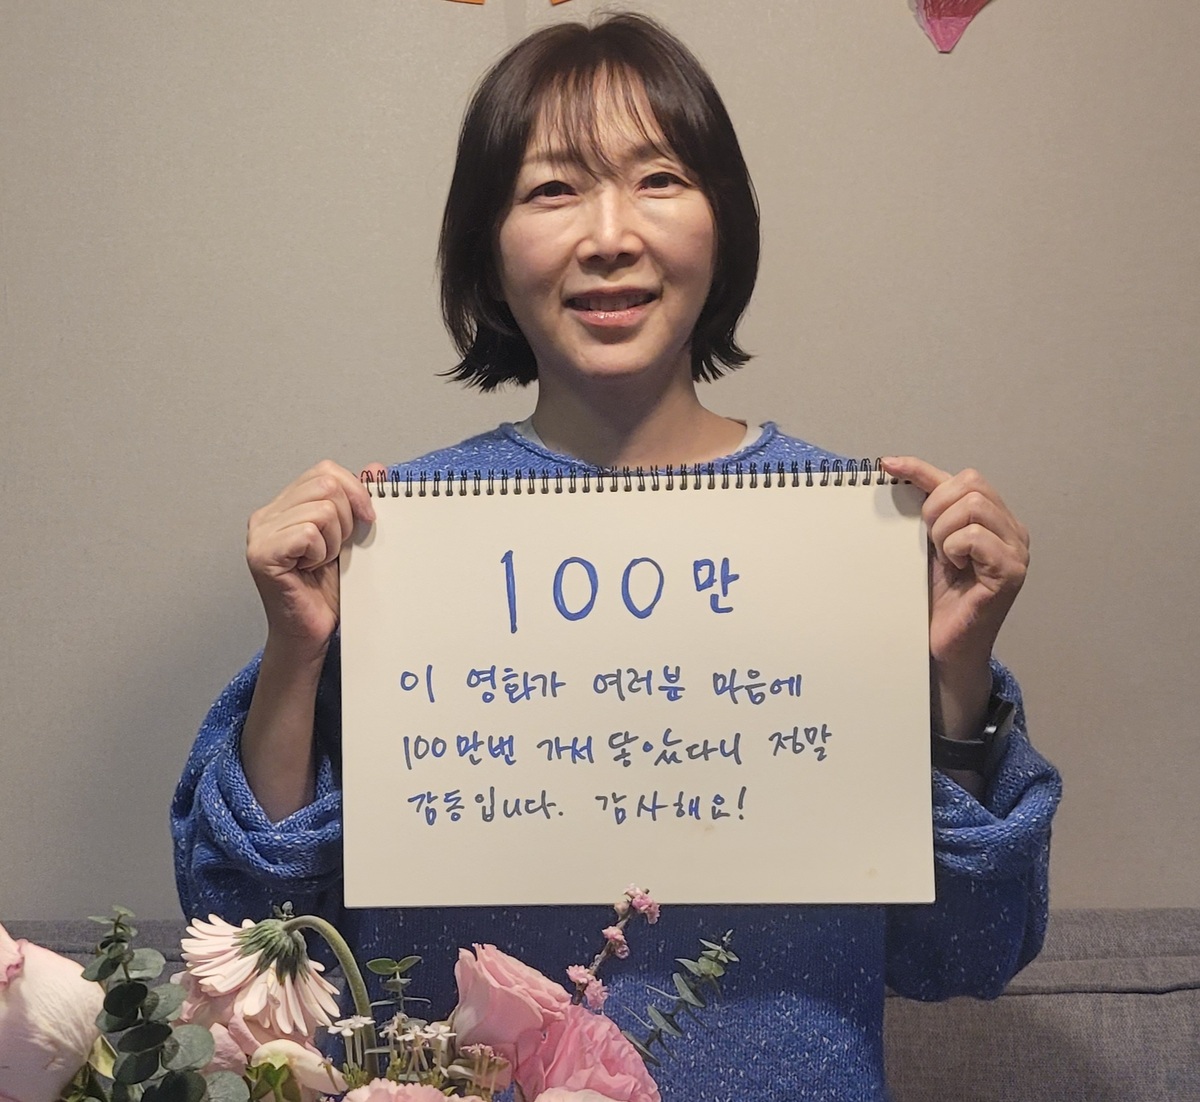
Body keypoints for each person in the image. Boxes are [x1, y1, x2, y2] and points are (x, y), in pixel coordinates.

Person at [172, 13, 1061, 1100]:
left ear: (723, 224)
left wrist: (956, 674)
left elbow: (963, 954)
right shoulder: (395, 540)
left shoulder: (849, 539)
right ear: (487, 248)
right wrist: (295, 651)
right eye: (552, 189)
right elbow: (257, 942)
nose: (609, 235)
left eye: (658, 180)